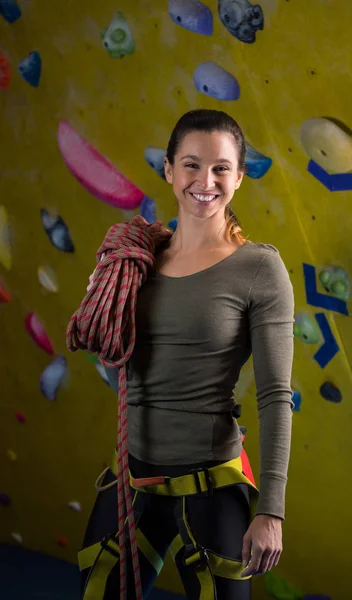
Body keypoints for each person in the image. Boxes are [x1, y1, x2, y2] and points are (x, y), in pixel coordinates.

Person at [79, 109, 295, 600]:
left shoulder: (260, 269)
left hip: (213, 485)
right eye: (192, 164)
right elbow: (118, 358)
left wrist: (271, 510)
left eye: (221, 168)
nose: (206, 180)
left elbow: (275, 395)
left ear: (239, 178)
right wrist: (102, 298)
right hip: (131, 476)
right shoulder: (134, 260)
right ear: (169, 170)